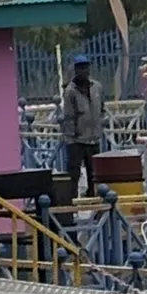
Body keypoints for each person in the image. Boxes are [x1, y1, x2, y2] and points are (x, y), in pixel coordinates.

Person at [59, 57, 104, 197]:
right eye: (80, 68)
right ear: (75, 70)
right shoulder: (70, 91)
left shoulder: (97, 87)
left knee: (95, 175)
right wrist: (71, 137)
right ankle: (71, 205)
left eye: (86, 67)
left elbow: (101, 108)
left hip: (94, 138)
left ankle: (95, 205)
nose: (83, 71)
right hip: (76, 140)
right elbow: (68, 115)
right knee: (73, 174)